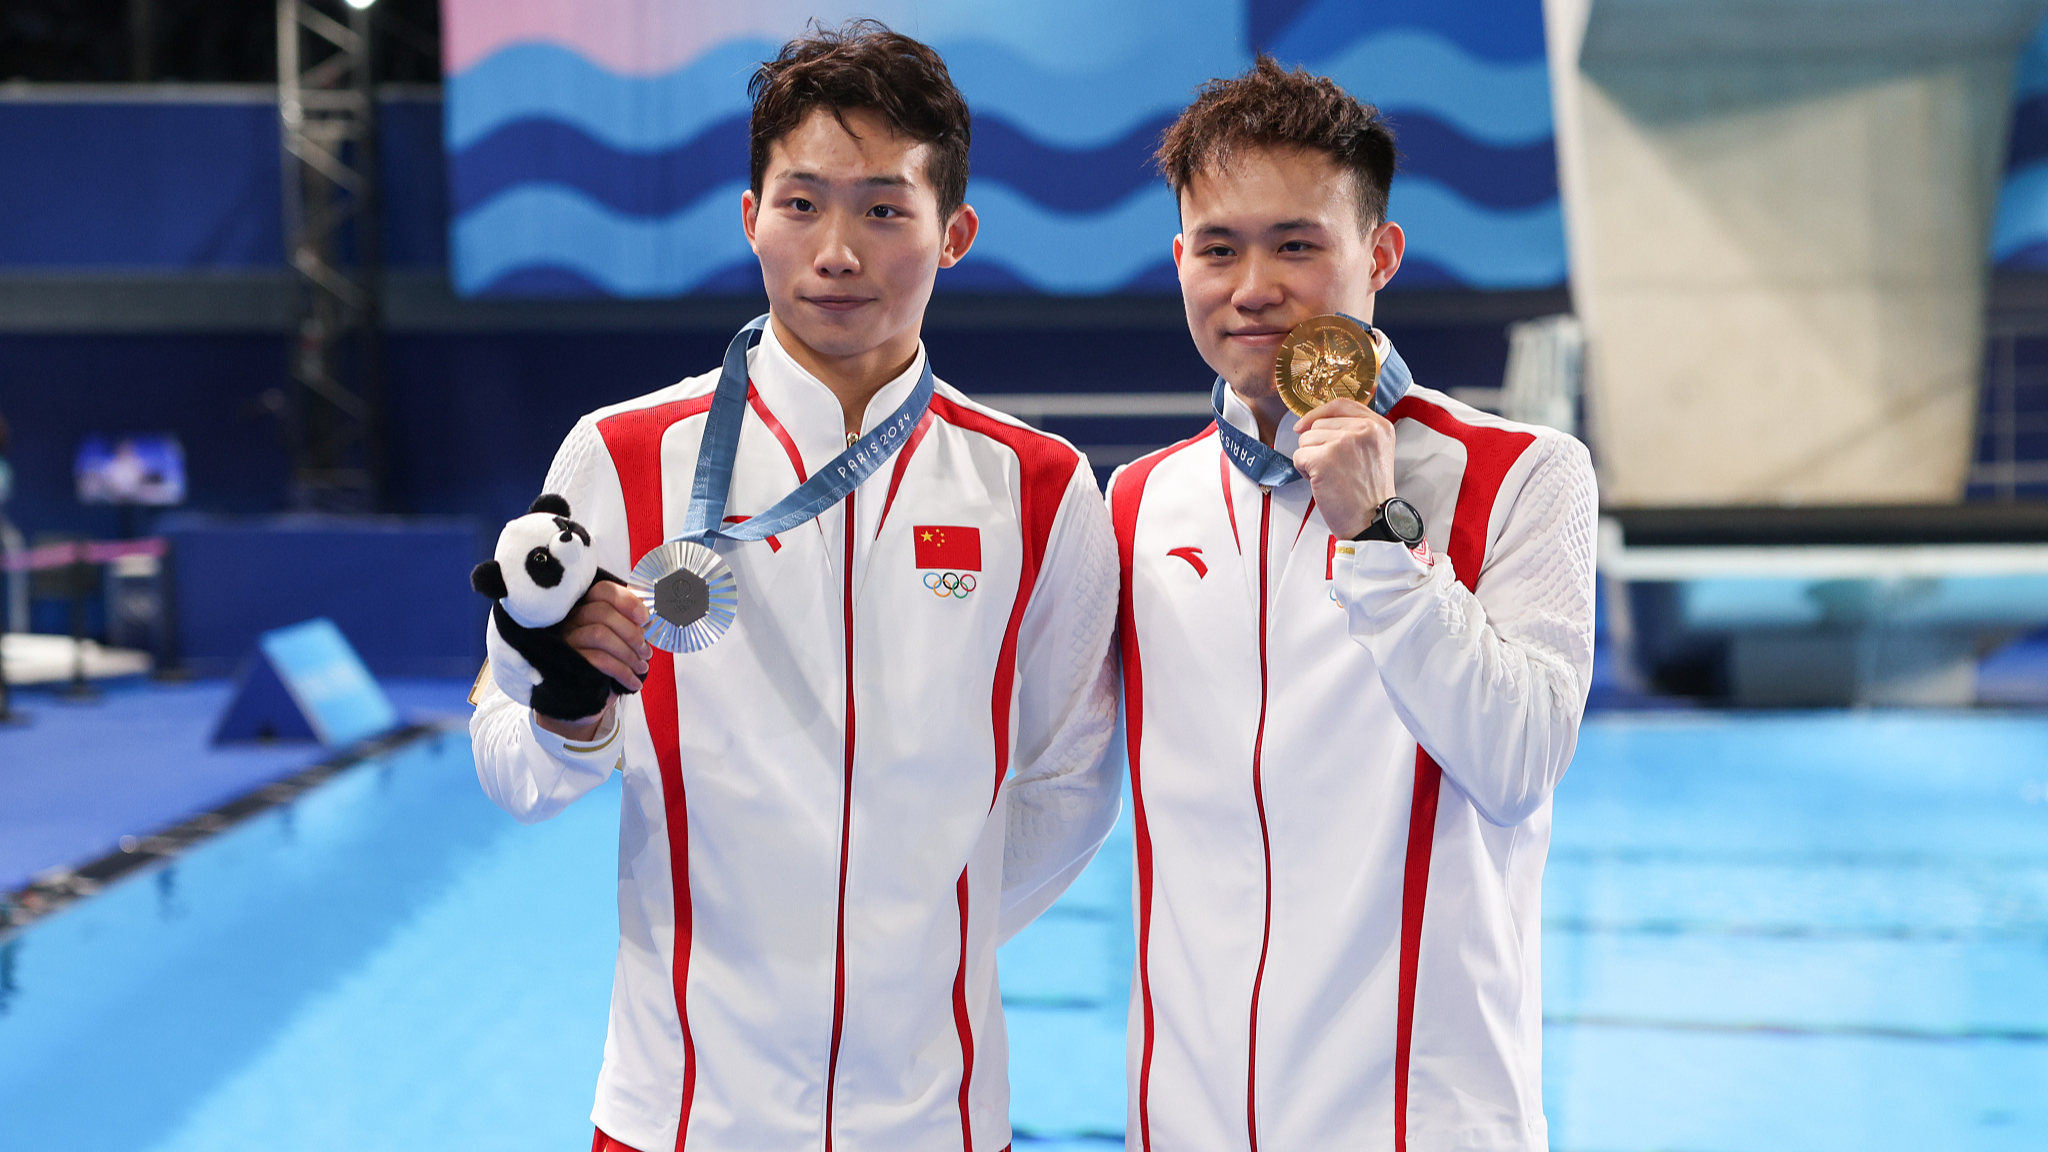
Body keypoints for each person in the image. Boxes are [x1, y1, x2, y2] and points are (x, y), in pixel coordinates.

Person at [469, 22, 1122, 1152]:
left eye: (882, 209)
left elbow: (1069, 783)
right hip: (676, 1116)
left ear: (952, 233)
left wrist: (912, 946)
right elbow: (508, 768)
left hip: (937, 1120)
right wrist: (568, 713)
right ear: (748, 217)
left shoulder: (1037, 486)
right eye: (802, 203)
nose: (836, 252)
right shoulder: (622, 458)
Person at [1106, 59, 1597, 1152]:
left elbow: (1517, 761)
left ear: (1377, 256)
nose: (1251, 287)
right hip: (1181, 1124)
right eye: (1217, 248)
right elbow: (1046, 776)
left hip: (1418, 1123)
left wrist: (1378, 533)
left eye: (1296, 244)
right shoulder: (1141, 503)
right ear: (1178, 258)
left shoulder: (1522, 474)